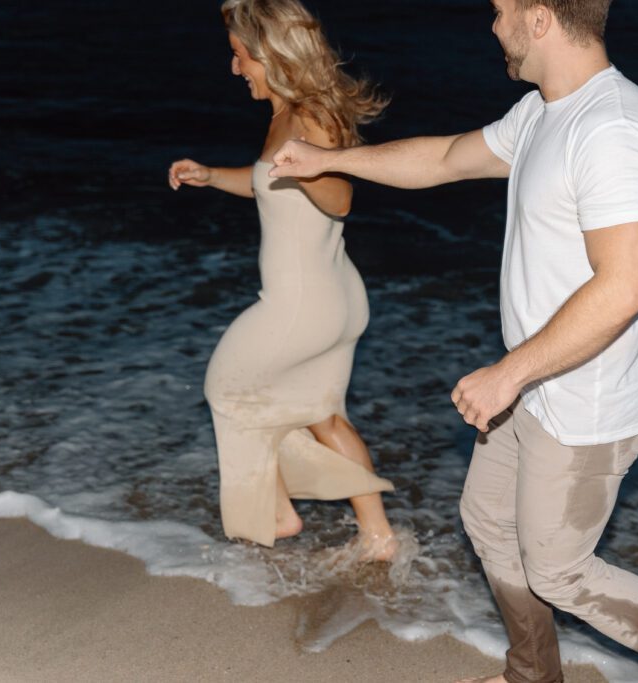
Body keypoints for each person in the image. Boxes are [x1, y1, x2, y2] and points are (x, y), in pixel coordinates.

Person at [269, 0, 638, 680]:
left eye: (500, 10)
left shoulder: (614, 129)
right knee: (487, 519)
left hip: (587, 403)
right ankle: (533, 673)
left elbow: (624, 288)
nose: (493, 26)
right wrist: (327, 158)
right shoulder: (545, 112)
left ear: (540, 17)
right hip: (534, 388)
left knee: (558, 568)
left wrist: (508, 373)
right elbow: (445, 159)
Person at [167, 0, 401, 560]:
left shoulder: (307, 119)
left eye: (240, 57)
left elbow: (339, 196)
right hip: (336, 296)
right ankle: (379, 537)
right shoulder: (293, 114)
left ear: (269, 56)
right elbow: (273, 184)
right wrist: (210, 177)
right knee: (323, 413)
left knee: (226, 387)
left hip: (300, 306)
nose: (235, 68)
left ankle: (275, 513)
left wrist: (308, 168)